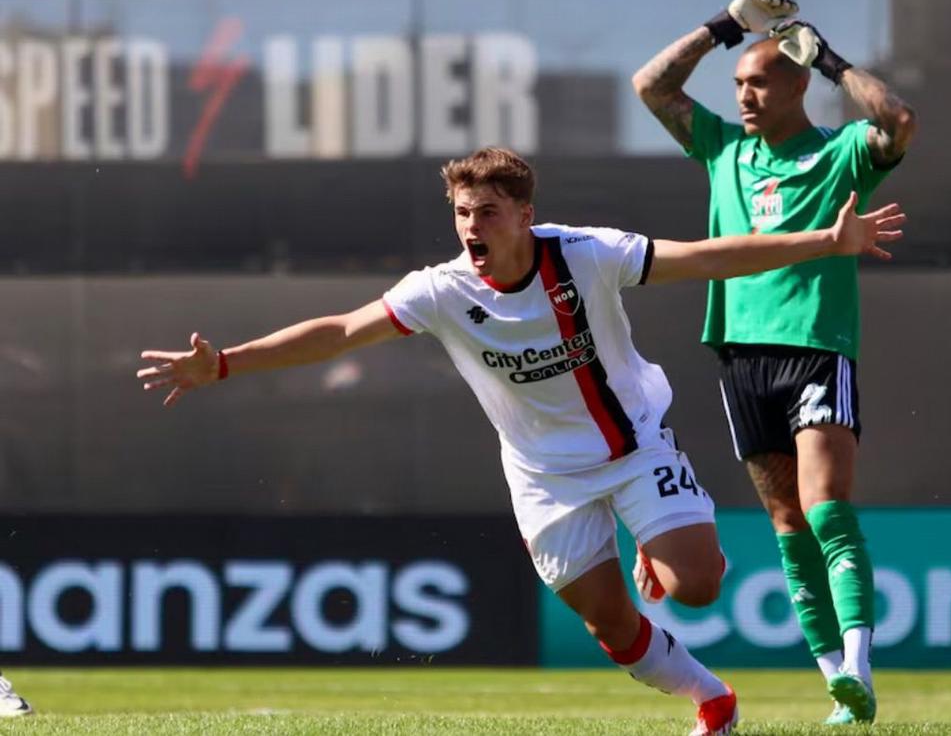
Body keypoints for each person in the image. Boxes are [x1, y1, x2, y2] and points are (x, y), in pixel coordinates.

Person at [136, 147, 904, 736]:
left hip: (634, 446)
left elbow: (705, 259)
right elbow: (339, 331)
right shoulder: (441, 290)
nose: (473, 227)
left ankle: (658, 531)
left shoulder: (585, 254)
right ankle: (712, 699)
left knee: (698, 585)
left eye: (489, 212)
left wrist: (822, 243)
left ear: (525, 212)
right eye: (463, 213)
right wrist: (227, 363)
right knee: (612, 628)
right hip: (543, 476)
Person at [633, 0, 918, 725]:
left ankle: (860, 663)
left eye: (758, 82)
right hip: (741, 355)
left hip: (817, 347)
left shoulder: (839, 151)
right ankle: (836, 686)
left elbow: (898, 123)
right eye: (738, 86)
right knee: (788, 523)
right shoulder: (723, 148)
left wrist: (826, 58)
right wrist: (728, 26)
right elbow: (651, 86)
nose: (745, 96)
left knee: (827, 509)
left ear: (795, 85)